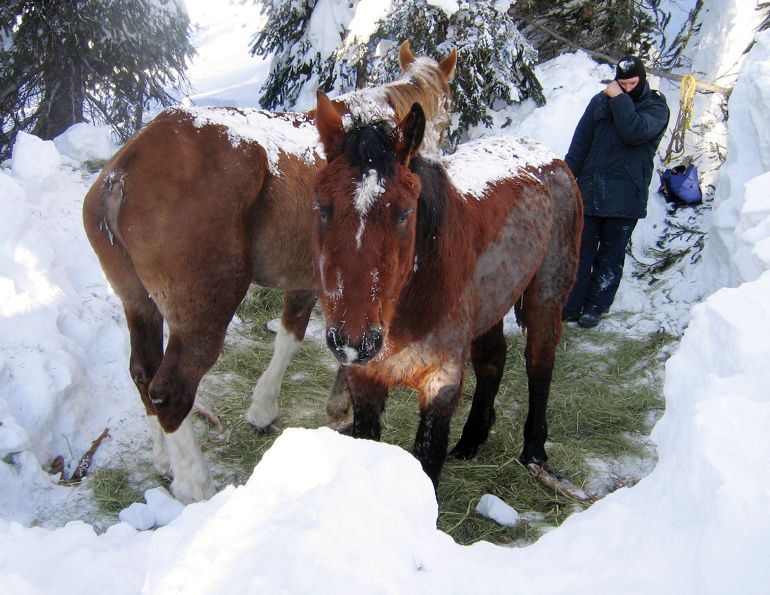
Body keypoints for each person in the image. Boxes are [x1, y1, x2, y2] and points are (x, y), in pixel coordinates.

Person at [563, 56, 670, 328]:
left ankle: (596, 307)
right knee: (580, 251)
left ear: (642, 80)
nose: (627, 88)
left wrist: (619, 98)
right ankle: (572, 305)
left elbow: (634, 132)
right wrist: (564, 180)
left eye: (633, 83)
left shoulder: (656, 107)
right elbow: (580, 145)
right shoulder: (599, 102)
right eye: (623, 84)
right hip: (590, 192)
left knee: (610, 256)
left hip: (626, 197)